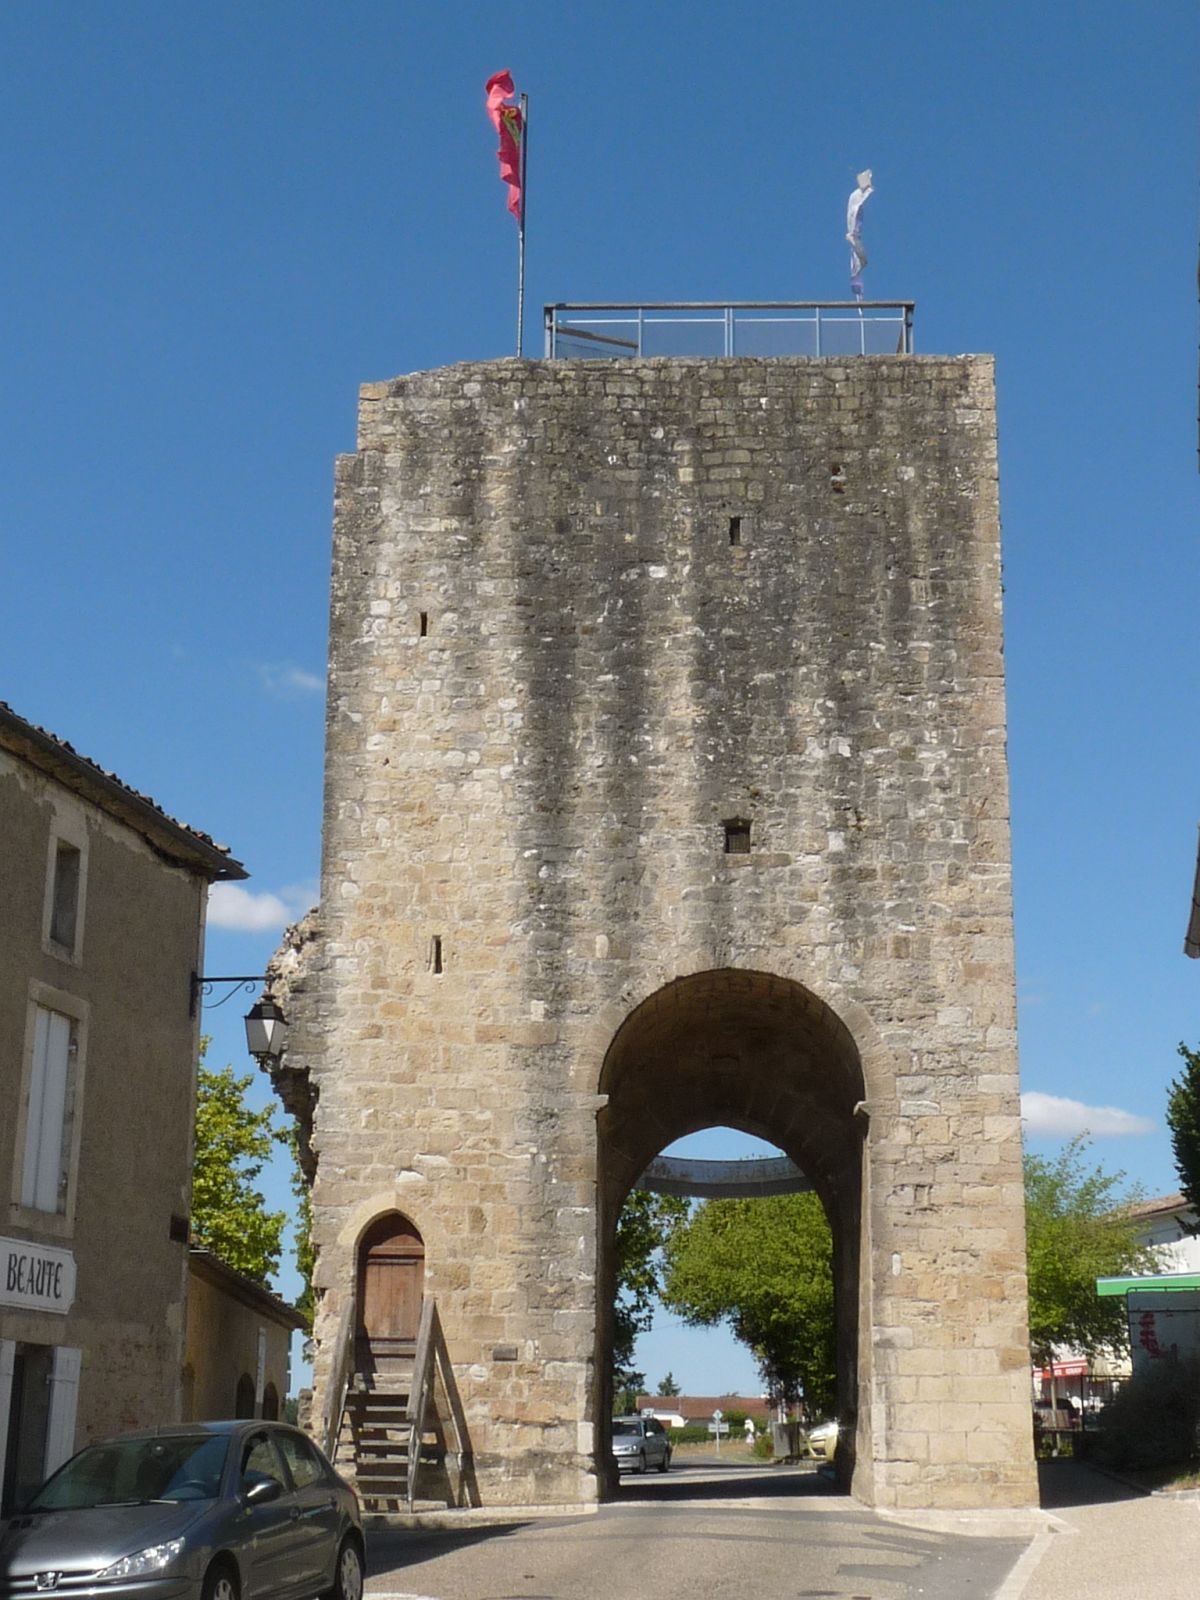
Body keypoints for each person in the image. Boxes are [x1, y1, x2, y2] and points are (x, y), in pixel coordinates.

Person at [846, 169, 873, 299]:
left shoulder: (858, 196)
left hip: (855, 235)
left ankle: (858, 287)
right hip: (853, 235)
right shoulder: (855, 196)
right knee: (861, 261)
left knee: (863, 261)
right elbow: (853, 213)